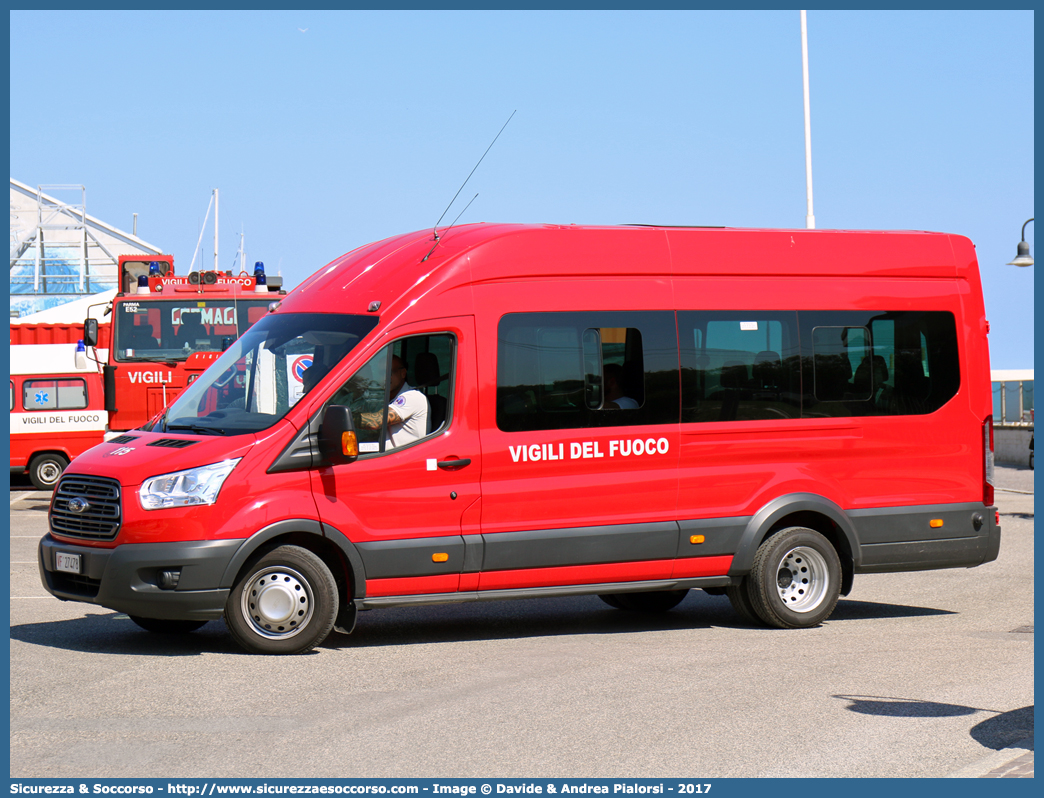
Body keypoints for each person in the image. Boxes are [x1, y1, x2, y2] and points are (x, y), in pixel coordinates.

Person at [359, 355, 430, 447]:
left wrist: (345, 419)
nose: (385, 377)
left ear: (403, 373)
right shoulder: (388, 398)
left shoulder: (412, 396)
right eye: (381, 373)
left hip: (405, 459)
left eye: (389, 372)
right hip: (389, 457)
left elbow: (375, 421)